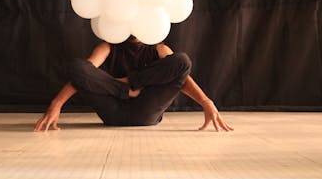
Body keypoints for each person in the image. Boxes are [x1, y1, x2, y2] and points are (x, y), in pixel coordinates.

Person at [34, 36, 233, 132]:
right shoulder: (108, 46)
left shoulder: (159, 47)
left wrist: (206, 102)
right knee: (78, 66)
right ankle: (127, 89)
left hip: (146, 109)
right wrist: (56, 104)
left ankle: (129, 86)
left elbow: (182, 75)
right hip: (112, 109)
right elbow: (82, 75)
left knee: (181, 61)